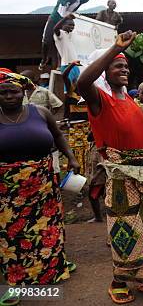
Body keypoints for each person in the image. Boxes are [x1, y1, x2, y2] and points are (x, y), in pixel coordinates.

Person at [76, 31, 143, 304]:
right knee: (126, 231)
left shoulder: (131, 102)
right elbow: (82, 81)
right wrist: (115, 48)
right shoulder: (100, 101)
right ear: (104, 72)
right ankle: (119, 279)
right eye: (117, 65)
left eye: (125, 66)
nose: (124, 69)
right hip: (123, 179)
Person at [0, 69, 80, 288]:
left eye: (13, 92)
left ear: (23, 91)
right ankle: (15, 281)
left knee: (46, 228)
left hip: (43, 183)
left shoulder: (41, 112)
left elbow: (58, 136)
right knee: (12, 234)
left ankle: (52, 267)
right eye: (3, 92)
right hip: (7, 191)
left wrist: (71, 157)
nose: (8, 96)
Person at [40, 0, 110, 69]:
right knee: (46, 41)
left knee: (62, 42)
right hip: (54, 19)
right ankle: (44, 59)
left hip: (65, 20)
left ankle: (60, 64)